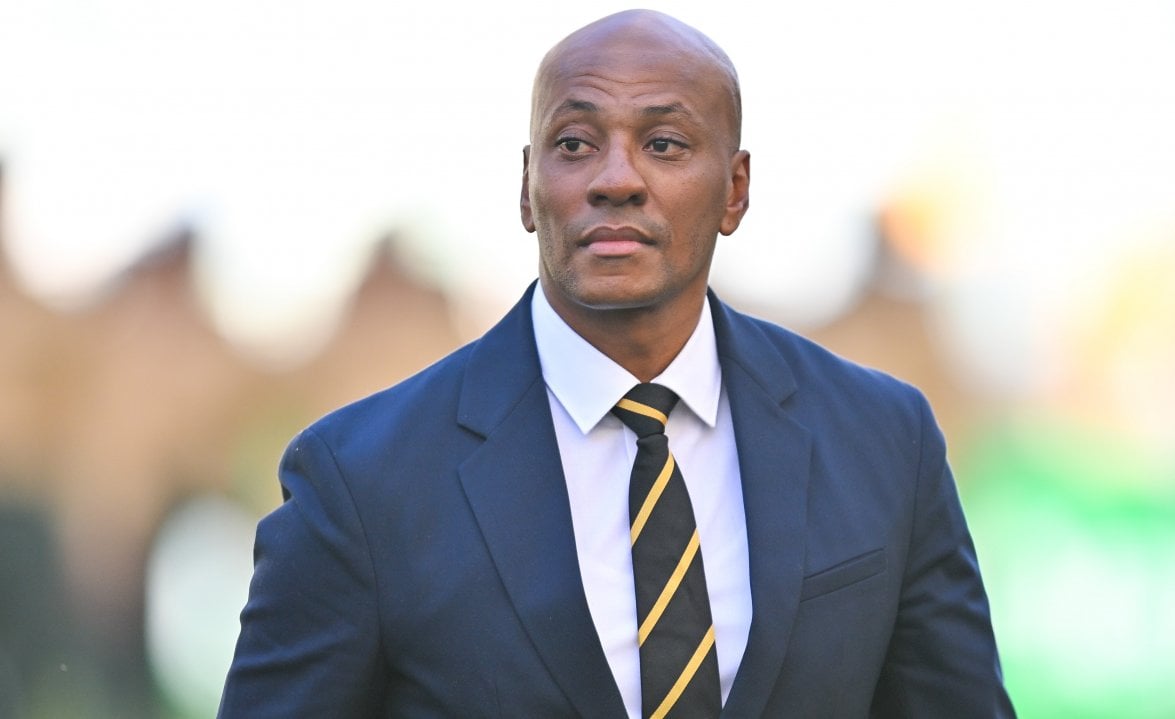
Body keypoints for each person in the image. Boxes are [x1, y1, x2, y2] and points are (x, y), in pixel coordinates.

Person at [218, 9, 1014, 718]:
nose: (616, 179)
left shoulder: (882, 441)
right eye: (575, 144)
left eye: (664, 143)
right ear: (529, 189)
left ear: (735, 190)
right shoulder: (361, 481)